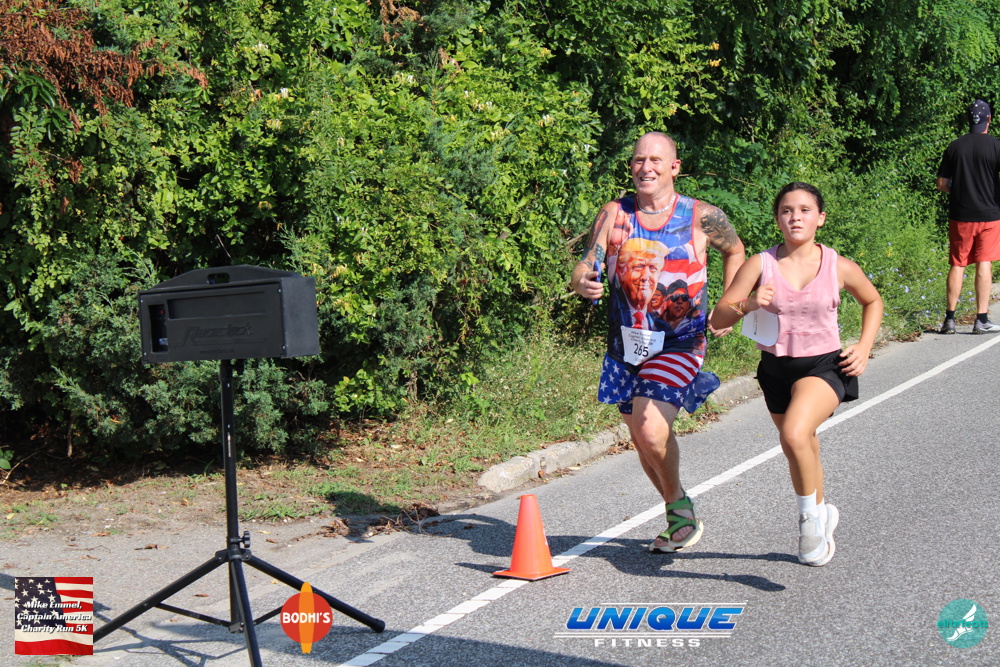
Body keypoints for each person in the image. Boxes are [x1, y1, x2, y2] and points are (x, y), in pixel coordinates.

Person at [571, 131, 745, 553]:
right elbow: (588, 260)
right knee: (642, 438)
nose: (645, 167)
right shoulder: (615, 213)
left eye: (655, 160)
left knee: (650, 429)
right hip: (625, 345)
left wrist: (730, 302)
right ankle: (679, 513)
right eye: (638, 159)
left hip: (681, 341)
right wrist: (580, 280)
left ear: (674, 167)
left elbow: (736, 251)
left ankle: (679, 509)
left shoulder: (702, 215)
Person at [710, 182, 883, 566]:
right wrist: (748, 303)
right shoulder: (760, 265)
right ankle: (822, 514)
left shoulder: (838, 266)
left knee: (793, 433)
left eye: (805, 210)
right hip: (774, 370)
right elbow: (719, 318)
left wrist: (864, 346)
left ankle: (808, 524)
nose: (795, 217)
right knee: (800, 444)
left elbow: (872, 300)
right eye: (787, 211)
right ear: (777, 219)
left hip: (823, 367)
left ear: (820, 218)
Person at [935, 99, 1000, 334]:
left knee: (958, 263)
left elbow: (941, 184)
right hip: (989, 215)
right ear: (989, 119)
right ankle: (981, 320)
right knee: (984, 263)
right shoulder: (996, 146)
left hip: (960, 215)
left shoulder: (954, 146)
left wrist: (960, 189)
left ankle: (949, 320)